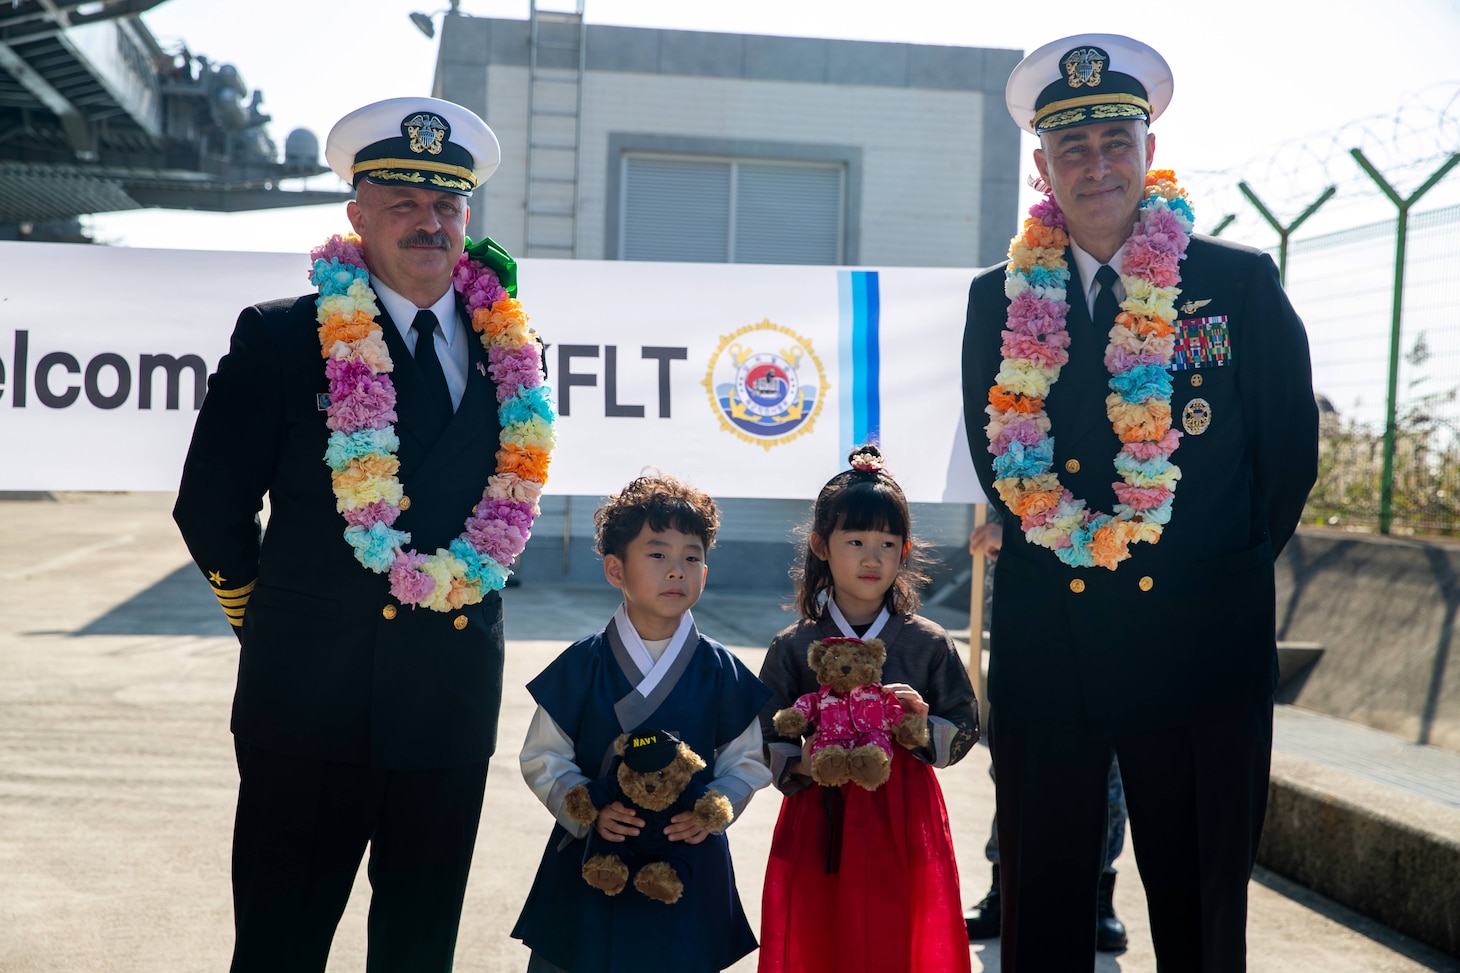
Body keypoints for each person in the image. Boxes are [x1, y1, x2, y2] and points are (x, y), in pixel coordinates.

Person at [961, 34, 1319, 971]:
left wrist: (1205, 567)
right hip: (1056, 640)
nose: (1098, 165)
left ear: (1149, 150)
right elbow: (1001, 461)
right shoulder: (996, 300)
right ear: (1042, 167)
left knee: (1201, 909)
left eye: (1117, 141)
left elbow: (1286, 463)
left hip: (1201, 643)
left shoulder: (1236, 284)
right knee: (1042, 908)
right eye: (1072, 149)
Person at [172, 96, 555, 970]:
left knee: (419, 952)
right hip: (308, 700)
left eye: (448, 206)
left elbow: (506, 493)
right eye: (404, 205)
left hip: (447, 705)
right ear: (357, 216)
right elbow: (211, 505)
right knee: (280, 947)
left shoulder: (516, 348)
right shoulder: (282, 337)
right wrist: (267, 619)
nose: (431, 224)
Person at [512, 473, 773, 973]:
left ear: (706, 570)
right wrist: (587, 810)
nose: (677, 570)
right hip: (595, 852)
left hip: (685, 857)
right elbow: (543, 756)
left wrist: (714, 811)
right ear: (616, 569)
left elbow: (748, 760)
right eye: (658, 554)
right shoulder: (583, 663)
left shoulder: (721, 669)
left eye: (691, 556)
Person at [757, 444, 980, 973]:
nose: (872, 557)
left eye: (887, 542)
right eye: (855, 541)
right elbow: (764, 731)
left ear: (904, 551)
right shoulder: (794, 645)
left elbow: (965, 727)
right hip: (821, 811)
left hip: (904, 811)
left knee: (897, 936)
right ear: (820, 546)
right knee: (820, 937)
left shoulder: (927, 642)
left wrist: (923, 728)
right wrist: (800, 762)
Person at [963, 518, 1129, 953]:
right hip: (1034, 608)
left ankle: (1098, 895)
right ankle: (1007, 887)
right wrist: (1010, 532)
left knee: (1107, 770)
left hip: (1109, 601)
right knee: (1015, 766)